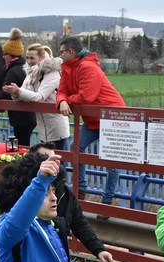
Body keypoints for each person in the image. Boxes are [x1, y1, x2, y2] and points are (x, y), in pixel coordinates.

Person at [57, 36, 125, 206]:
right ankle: (80, 191)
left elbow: (87, 96)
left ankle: (107, 201)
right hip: (93, 119)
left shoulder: (88, 67)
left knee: (111, 159)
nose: (60, 55)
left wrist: (67, 100)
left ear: (70, 52)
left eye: (61, 52)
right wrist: (62, 101)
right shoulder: (67, 68)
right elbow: (61, 91)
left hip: (112, 117)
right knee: (75, 146)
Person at [0, 28, 36, 146]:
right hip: (29, 116)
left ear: (12, 55)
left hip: (21, 117)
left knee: (21, 148)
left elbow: (6, 92)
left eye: (5, 54)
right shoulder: (22, 67)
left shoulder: (13, 71)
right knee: (24, 146)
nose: (3, 56)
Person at [5, 45, 70, 150]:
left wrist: (19, 91)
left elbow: (39, 97)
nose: (29, 61)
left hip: (56, 126)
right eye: (27, 58)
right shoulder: (32, 73)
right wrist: (15, 93)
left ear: (41, 57)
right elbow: (23, 93)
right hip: (43, 126)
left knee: (57, 161)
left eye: (32, 58)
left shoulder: (51, 73)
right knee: (46, 161)